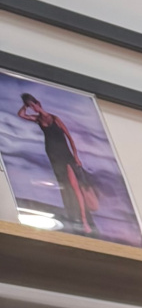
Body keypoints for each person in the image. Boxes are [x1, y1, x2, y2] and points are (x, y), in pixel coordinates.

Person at [17, 91, 99, 234]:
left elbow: (69, 137)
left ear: (38, 104)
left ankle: (85, 221)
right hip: (53, 154)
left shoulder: (55, 119)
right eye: (31, 106)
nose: (33, 108)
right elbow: (21, 115)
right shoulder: (37, 119)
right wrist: (25, 105)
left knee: (75, 186)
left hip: (65, 154)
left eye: (34, 105)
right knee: (65, 186)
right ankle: (74, 216)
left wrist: (76, 156)